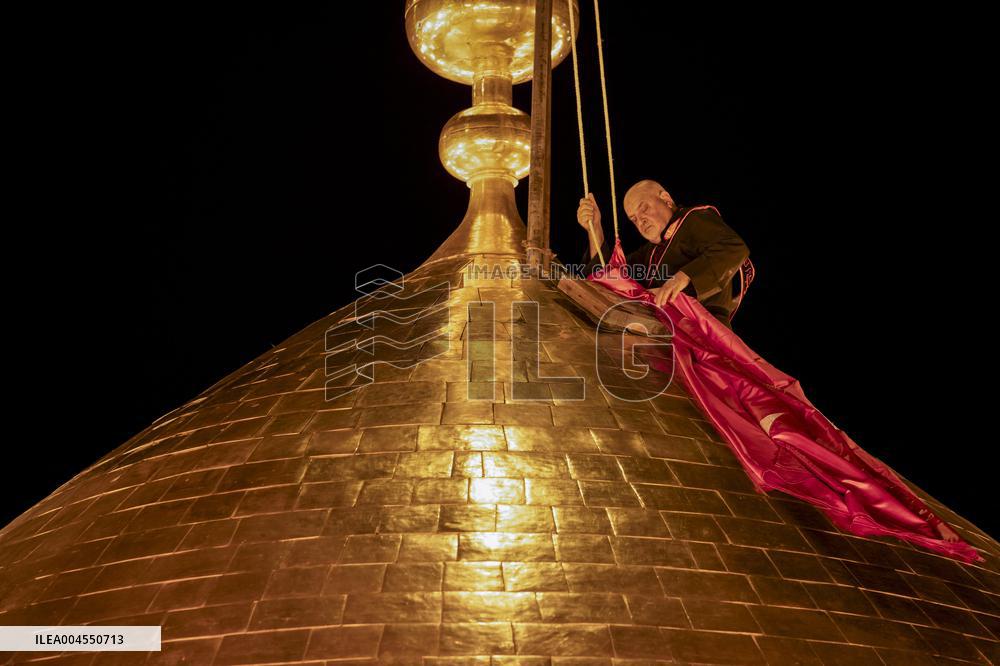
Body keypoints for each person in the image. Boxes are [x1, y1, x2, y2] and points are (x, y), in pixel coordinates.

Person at [578, 179, 750, 326]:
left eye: (644, 208)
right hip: (664, 335)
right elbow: (609, 277)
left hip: (704, 333)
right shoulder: (651, 251)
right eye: (634, 219)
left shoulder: (693, 220)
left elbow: (733, 247)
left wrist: (680, 279)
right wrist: (595, 228)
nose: (641, 220)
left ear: (666, 199)